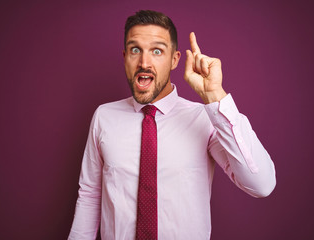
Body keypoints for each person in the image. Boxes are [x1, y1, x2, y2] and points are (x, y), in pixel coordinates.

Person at [68, 10, 276, 240]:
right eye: (135, 50)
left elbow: (261, 184)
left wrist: (215, 95)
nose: (144, 62)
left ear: (175, 60)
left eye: (157, 51)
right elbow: (89, 195)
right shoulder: (104, 117)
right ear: (125, 56)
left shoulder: (204, 118)